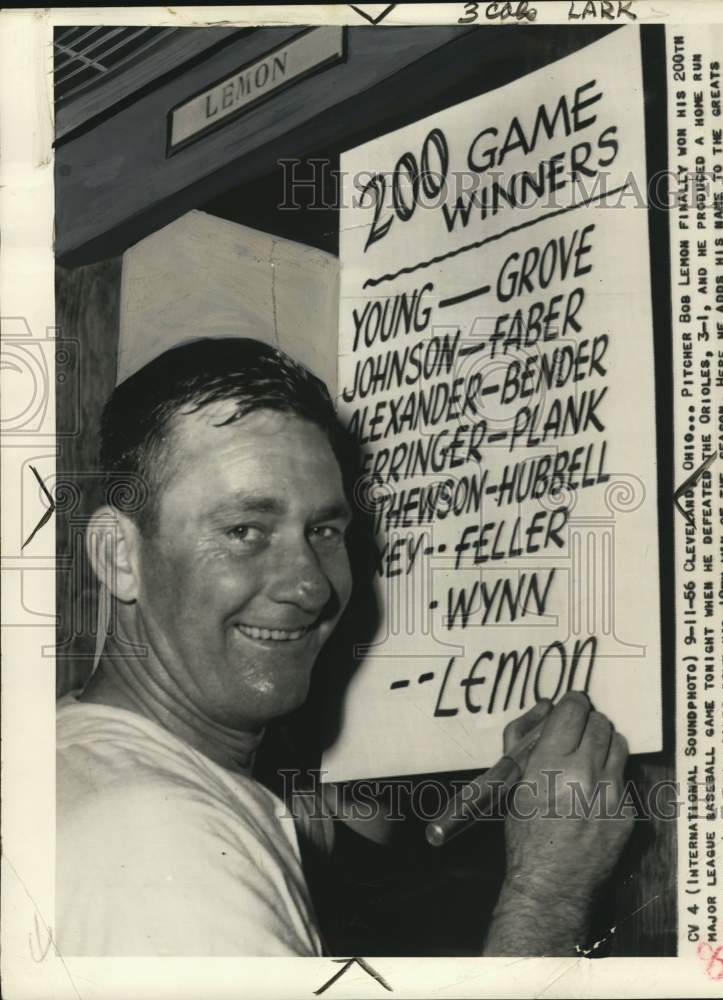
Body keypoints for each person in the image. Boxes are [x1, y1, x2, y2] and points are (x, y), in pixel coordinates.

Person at [57, 337, 633, 957]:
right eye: (244, 530)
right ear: (119, 555)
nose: (309, 585)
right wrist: (549, 891)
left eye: (324, 530)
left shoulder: (83, 753)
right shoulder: (161, 843)